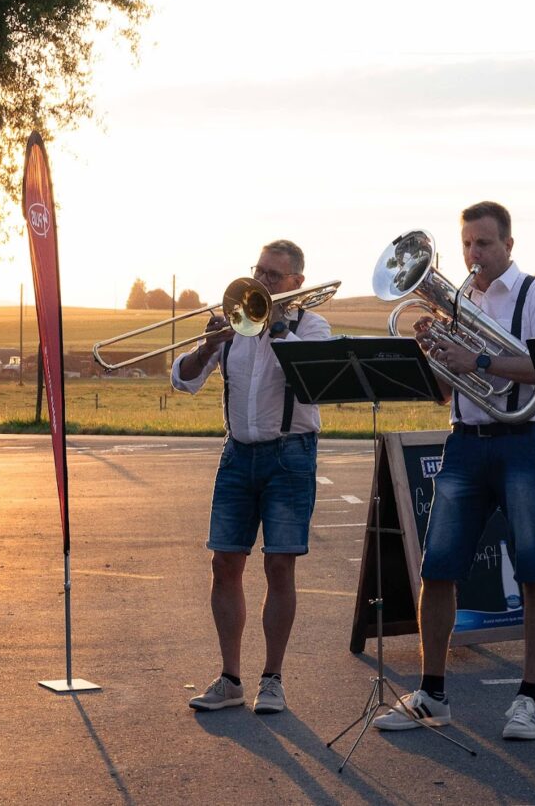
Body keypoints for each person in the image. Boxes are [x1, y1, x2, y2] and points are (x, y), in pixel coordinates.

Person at [374, 201, 535, 740]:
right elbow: (446, 391)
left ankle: (528, 699)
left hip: (526, 443)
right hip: (465, 442)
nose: (472, 254)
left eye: (483, 243)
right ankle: (432, 694)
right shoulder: (458, 304)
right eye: (465, 244)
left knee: (534, 571)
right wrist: (433, 351)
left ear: (508, 244)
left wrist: (479, 359)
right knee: (437, 569)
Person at [171, 239, 330, 714]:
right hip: (237, 454)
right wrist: (208, 345)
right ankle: (230, 678)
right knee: (224, 563)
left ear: (297, 283)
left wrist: (278, 328)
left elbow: (313, 382)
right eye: (258, 272)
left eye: (273, 276)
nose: (261, 281)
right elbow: (183, 379)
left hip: (290, 454)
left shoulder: (311, 326)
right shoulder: (235, 323)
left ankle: (273, 679)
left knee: (279, 566)